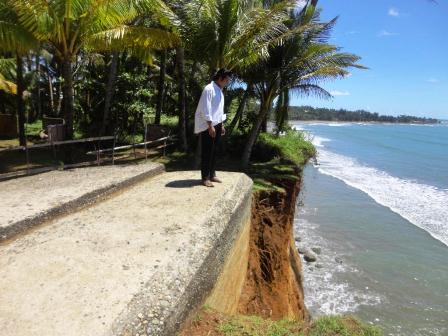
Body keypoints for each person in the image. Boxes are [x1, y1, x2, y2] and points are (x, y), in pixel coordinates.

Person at [194, 68, 232, 187]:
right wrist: (210, 126)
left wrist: (222, 124)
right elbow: (206, 108)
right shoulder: (209, 89)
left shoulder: (219, 90)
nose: (227, 83)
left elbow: (218, 110)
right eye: (226, 80)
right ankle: (205, 177)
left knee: (214, 151)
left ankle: (212, 174)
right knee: (207, 151)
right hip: (208, 125)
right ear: (220, 78)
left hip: (217, 124)